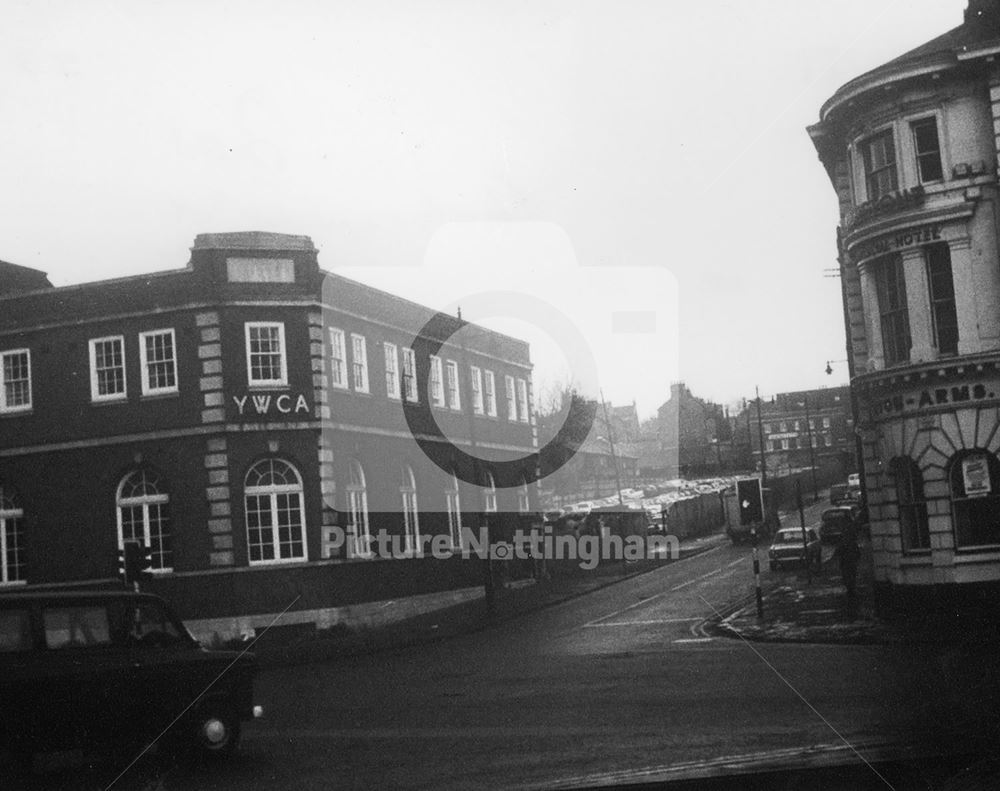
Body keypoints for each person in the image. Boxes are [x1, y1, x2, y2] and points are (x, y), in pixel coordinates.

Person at [835, 520, 862, 616]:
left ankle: (850, 589)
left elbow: (837, 552)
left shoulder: (843, 543)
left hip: (846, 563)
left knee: (847, 576)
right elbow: (858, 553)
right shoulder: (852, 543)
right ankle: (851, 588)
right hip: (850, 563)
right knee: (851, 575)